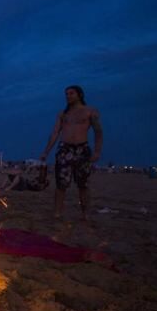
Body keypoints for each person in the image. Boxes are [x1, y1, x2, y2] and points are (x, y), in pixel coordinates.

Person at [39, 85, 103, 220]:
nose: (68, 96)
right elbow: (55, 133)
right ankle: (57, 213)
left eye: (71, 93)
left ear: (79, 95)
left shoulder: (90, 111)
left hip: (82, 149)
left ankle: (86, 214)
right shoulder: (63, 114)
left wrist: (97, 152)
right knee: (61, 183)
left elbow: (98, 132)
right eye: (66, 94)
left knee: (83, 183)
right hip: (65, 149)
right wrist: (46, 151)